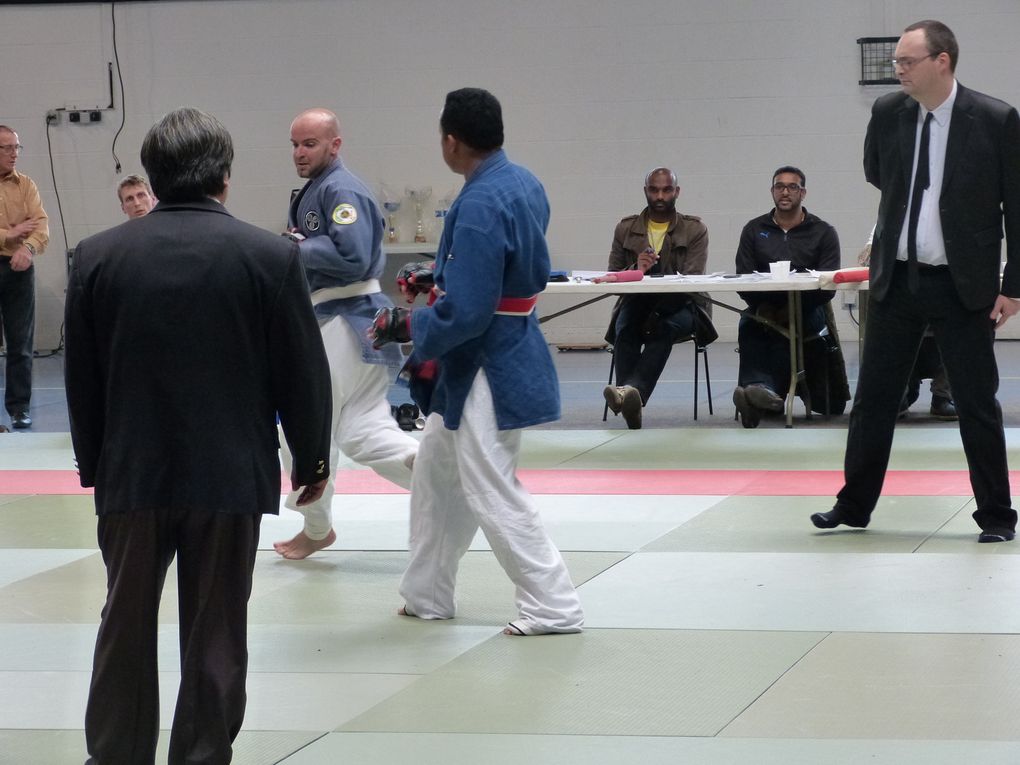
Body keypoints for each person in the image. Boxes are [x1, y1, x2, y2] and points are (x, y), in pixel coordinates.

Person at [66, 107, 332, 765]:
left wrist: (94, 460)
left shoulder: (98, 256)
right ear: (226, 176)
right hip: (229, 473)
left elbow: (81, 375)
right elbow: (302, 371)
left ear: (152, 178)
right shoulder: (269, 256)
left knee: (123, 623)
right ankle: (203, 753)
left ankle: (115, 755)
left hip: (131, 471)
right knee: (216, 629)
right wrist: (312, 458)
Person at [371, 87, 584, 636]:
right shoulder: (523, 181)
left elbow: (467, 310)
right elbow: (492, 273)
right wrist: (438, 277)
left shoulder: (480, 203)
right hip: (497, 346)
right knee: (437, 477)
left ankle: (553, 604)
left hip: (489, 357)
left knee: (490, 483)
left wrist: (408, 324)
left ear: (450, 141)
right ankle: (427, 593)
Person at [811, 20, 1020, 543]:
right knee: (875, 399)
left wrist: (1013, 286)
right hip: (896, 280)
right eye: (898, 62)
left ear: (942, 62)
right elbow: (877, 172)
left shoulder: (996, 119)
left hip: (962, 283)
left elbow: (1016, 210)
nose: (897, 69)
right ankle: (853, 505)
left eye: (907, 61)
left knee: (976, 402)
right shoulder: (888, 113)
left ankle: (996, 515)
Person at [273, 108, 418, 560]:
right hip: (358, 325)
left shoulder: (340, 188)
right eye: (295, 144)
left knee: (305, 429)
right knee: (360, 427)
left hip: (344, 321)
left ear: (334, 145)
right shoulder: (320, 189)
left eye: (309, 143)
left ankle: (317, 527)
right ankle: (437, 475)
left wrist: (293, 247)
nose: (299, 152)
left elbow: (353, 257)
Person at [731, 166, 841, 427]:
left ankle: (757, 390)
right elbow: (743, 276)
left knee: (787, 328)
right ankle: (760, 393)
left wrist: (791, 309)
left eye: (792, 187)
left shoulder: (824, 232)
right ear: (772, 191)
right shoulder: (753, 229)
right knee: (749, 324)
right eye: (779, 186)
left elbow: (828, 286)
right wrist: (762, 306)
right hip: (762, 306)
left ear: (803, 193)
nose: (785, 191)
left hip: (809, 309)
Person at [602, 167, 709, 429]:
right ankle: (631, 398)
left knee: (663, 329)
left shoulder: (695, 229)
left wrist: (658, 313)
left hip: (684, 305)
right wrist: (636, 269)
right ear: (646, 191)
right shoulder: (626, 228)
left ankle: (629, 393)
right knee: (624, 328)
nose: (660, 195)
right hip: (637, 302)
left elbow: (692, 280)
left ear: (676, 192)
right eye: (654, 189)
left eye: (666, 189)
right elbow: (614, 278)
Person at [859, 226, 957, 420]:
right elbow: (866, 257)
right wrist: (874, 250)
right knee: (886, 333)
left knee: (959, 331)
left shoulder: (954, 211)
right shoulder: (895, 208)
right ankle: (898, 396)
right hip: (902, 292)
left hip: (945, 291)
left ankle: (942, 397)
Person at [0, 125, 48, 430]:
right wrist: (8, 235)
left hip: (19, 268)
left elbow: (41, 226)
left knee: (20, 343)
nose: (14, 153)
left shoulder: (26, 185)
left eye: (17, 147)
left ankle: (19, 409)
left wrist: (27, 248)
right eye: (7, 148)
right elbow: (15, 231)